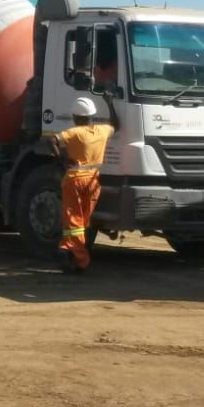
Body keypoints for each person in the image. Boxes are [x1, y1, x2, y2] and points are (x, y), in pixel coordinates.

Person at [48, 94, 121, 274]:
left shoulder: (75, 132)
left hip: (74, 179)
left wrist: (62, 158)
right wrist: (110, 103)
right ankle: (74, 252)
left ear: (75, 117)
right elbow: (116, 125)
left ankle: (78, 258)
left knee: (73, 221)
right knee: (83, 221)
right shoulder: (102, 131)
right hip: (93, 182)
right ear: (92, 116)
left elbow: (51, 140)